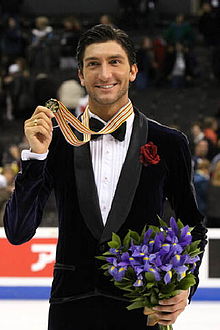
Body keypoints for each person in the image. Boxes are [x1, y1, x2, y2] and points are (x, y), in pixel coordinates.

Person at [3, 24, 207, 330]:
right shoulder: (54, 142)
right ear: (81, 75)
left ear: (133, 71)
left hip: (141, 309)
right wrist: (36, 158)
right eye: (93, 64)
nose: (104, 73)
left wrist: (184, 287)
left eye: (115, 61)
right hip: (70, 308)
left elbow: (193, 225)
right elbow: (18, 232)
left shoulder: (169, 142)